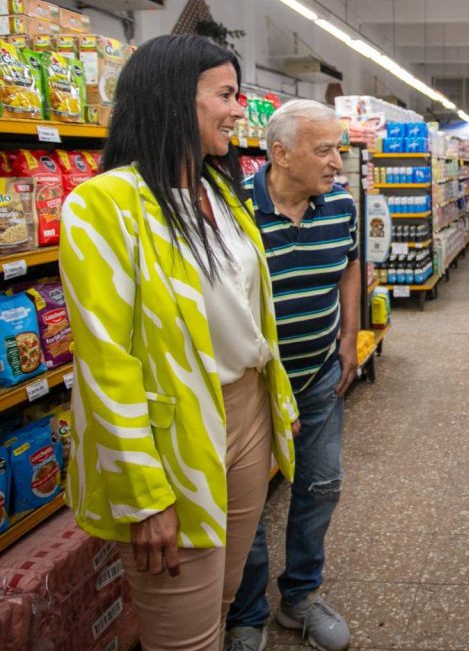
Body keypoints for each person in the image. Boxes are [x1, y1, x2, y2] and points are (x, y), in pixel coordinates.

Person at [58, 34, 299, 651]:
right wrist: (143, 497)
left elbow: (247, 314)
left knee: (216, 598)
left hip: (244, 415)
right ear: (172, 100)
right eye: (224, 94)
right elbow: (106, 364)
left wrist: (277, 408)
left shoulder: (219, 192)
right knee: (181, 633)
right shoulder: (102, 205)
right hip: (173, 435)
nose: (239, 108)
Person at [225, 100, 359, 651]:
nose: (336, 164)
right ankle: (247, 613)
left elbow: (350, 263)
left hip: (320, 377)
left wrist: (350, 337)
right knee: (250, 502)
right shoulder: (233, 211)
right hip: (254, 388)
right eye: (323, 150)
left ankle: (300, 598)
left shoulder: (342, 207)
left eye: (339, 150)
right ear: (279, 153)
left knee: (320, 487)